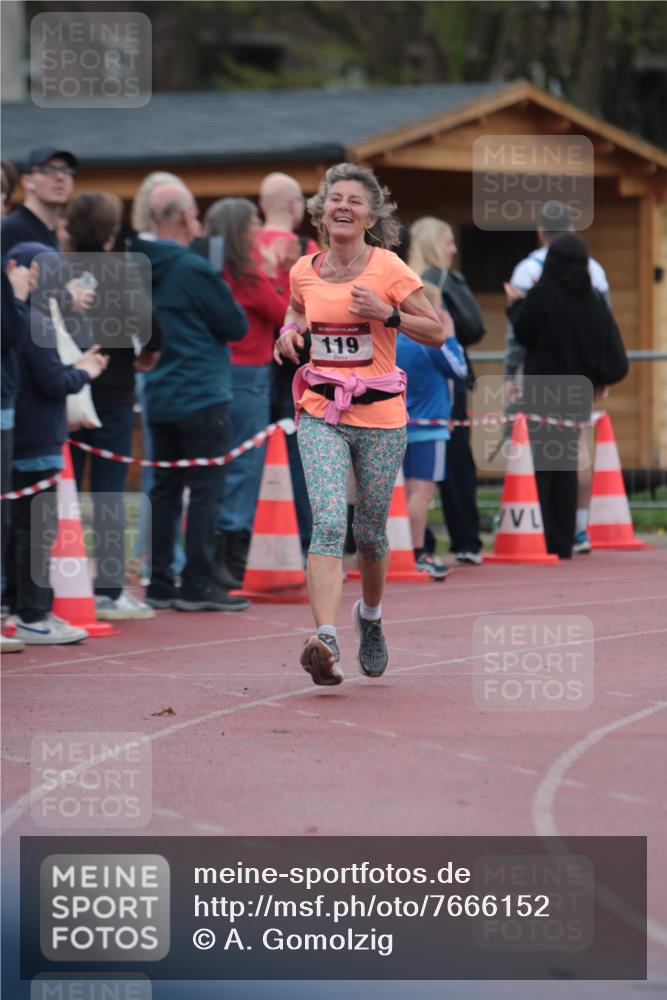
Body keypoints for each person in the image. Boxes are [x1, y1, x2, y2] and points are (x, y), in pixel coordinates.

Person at [274, 162, 446, 687]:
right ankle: (324, 638)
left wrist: (389, 315)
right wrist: (288, 333)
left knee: (370, 533)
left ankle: (369, 618)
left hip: (380, 415)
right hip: (321, 411)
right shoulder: (304, 269)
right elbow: (296, 311)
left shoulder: (389, 267)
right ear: (322, 212)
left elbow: (436, 332)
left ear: (371, 215)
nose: (343, 206)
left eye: (355, 200)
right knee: (328, 520)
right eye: (335, 199)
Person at [133, 184, 250, 612]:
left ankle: (161, 581)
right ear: (185, 218)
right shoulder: (193, 268)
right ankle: (198, 582)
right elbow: (235, 325)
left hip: (159, 392)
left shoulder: (136, 266)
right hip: (201, 393)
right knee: (205, 490)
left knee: (164, 490)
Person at [3, 241, 108, 644]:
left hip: (20, 441)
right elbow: (52, 381)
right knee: (34, 534)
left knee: (20, 532)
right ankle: (32, 613)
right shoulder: (35, 321)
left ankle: (27, 608)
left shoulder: (24, 319)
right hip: (37, 442)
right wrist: (85, 371)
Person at [66, 192, 159, 620]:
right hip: (113, 393)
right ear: (110, 234)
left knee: (60, 489)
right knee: (108, 493)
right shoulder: (123, 273)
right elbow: (153, 331)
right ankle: (106, 590)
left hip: (65, 392)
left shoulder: (55, 270)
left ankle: (49, 585)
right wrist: (147, 352)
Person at [505, 233, 628, 559]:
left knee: (545, 465)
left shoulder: (544, 294)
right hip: (577, 392)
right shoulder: (593, 300)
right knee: (568, 463)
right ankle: (565, 539)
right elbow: (613, 352)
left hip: (543, 389)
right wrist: (598, 379)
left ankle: (543, 537)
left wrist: (515, 304)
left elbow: (524, 331)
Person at [204, 198, 287, 588]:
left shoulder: (212, 267)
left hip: (221, 372)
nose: (259, 229)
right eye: (254, 222)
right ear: (242, 230)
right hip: (249, 373)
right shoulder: (248, 271)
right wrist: (275, 274)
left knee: (221, 460)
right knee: (245, 461)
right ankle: (231, 550)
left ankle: (213, 548)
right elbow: (282, 311)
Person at [409, 217, 486, 565]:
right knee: (450, 466)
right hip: (440, 384)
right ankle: (462, 539)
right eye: (449, 242)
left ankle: (415, 542)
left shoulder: (406, 281)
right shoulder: (438, 285)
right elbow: (474, 327)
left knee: (410, 474)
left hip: (403, 386)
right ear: (432, 245)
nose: (455, 249)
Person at [258, 172, 319, 558]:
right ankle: (304, 541)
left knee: (253, 456)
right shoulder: (306, 248)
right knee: (299, 453)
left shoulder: (247, 246)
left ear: (263, 206)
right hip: (296, 364)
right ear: (295, 206)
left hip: (252, 362)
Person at [396, 282, 468, 580]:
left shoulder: (394, 338)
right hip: (429, 426)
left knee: (401, 492)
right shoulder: (430, 343)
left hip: (399, 423)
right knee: (421, 493)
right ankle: (416, 552)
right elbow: (460, 370)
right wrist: (449, 335)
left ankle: (399, 549)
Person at [1, 147, 77, 253]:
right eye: (48, 170)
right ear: (27, 181)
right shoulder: (11, 229)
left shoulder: (68, 233)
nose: (60, 177)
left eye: (66, 171)